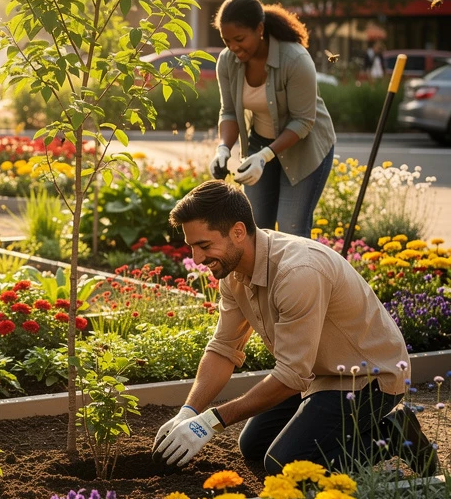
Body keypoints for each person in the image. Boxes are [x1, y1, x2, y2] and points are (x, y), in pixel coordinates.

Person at [152, 180, 435, 476]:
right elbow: (224, 349)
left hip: (366, 378)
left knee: (285, 465)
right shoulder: (233, 273)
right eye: (192, 247)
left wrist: (211, 422)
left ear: (237, 232)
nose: (197, 259)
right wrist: (189, 412)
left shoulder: (297, 272)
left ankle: (394, 436)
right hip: (317, 376)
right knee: (253, 445)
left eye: (204, 245)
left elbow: (290, 375)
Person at [208, 0, 336, 238]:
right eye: (226, 41)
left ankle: (299, 277)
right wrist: (223, 148)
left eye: (239, 39)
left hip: (304, 148)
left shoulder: (295, 59)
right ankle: (263, 279)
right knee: (256, 230)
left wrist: (265, 156)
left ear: (259, 29)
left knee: (291, 230)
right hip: (259, 144)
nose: (233, 47)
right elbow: (229, 111)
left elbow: (303, 121)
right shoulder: (228, 61)